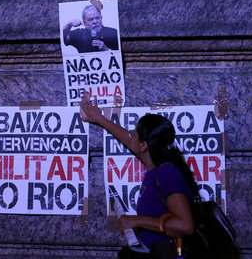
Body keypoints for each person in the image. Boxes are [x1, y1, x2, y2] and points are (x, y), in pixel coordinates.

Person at [79, 94, 200, 259]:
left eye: (135, 134)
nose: (130, 134)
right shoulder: (154, 169)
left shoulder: (167, 173)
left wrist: (136, 221)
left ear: (144, 146)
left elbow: (185, 226)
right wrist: (99, 118)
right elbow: (128, 140)